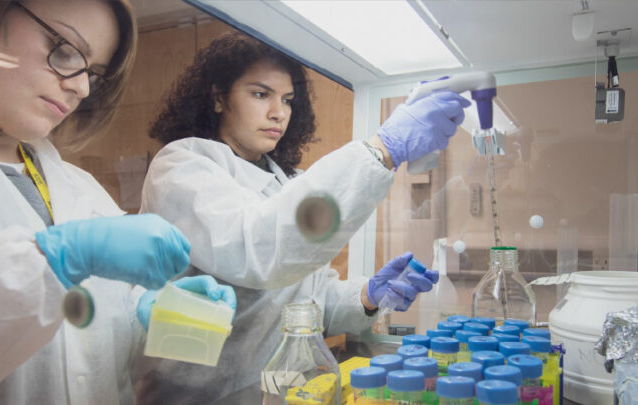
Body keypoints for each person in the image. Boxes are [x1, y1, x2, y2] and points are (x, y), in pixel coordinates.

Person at [0, 1, 234, 404]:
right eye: (66, 50)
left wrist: (161, 320)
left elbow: (91, 362)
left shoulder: (78, 187)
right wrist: (49, 265)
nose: (82, 87)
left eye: (94, 72)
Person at [137, 34, 470, 402]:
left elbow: (307, 302)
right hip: (196, 396)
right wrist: (382, 150)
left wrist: (366, 296)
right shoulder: (182, 166)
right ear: (219, 98)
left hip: (279, 392)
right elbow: (258, 251)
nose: (278, 112)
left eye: (288, 100)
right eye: (261, 94)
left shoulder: (289, 181)